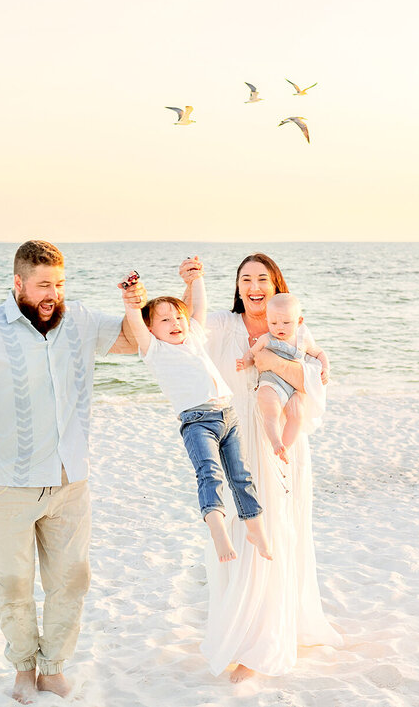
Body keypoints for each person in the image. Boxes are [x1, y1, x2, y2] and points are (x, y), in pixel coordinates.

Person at [0, 240, 144, 704]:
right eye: (43, 285)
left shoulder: (82, 321)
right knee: (11, 582)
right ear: (18, 283)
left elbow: (135, 341)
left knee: (72, 579)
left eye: (60, 284)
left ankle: (53, 668)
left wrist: (136, 305)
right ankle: (23, 667)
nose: (53, 294)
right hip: (4, 484)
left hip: (71, 481)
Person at [181, 253, 342, 682]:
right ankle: (241, 631)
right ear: (237, 288)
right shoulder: (224, 325)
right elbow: (187, 328)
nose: (254, 286)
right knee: (238, 534)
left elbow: (315, 378)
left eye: (262, 279)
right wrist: (193, 282)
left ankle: (263, 643)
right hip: (234, 442)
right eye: (245, 279)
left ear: (276, 287)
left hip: (280, 445)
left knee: (276, 534)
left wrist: (271, 363)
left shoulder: (291, 327)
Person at [119, 270, 272, 563]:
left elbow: (199, 307)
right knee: (210, 475)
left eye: (178, 317)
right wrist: (132, 297)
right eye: (164, 320)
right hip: (197, 422)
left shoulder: (194, 338)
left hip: (228, 415)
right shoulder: (154, 350)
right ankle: (218, 533)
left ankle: (255, 528)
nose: (175, 323)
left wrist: (196, 278)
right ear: (151, 328)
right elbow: (135, 321)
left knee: (242, 475)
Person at [237, 292, 330, 462]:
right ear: (267, 321)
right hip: (271, 382)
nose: (279, 327)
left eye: (286, 323)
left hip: (293, 388)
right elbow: (253, 353)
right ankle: (275, 442)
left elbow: (319, 353)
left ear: (299, 322)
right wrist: (245, 362)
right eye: (273, 322)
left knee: (297, 414)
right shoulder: (266, 339)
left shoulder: (302, 341)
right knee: (270, 407)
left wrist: (325, 368)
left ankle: (285, 448)